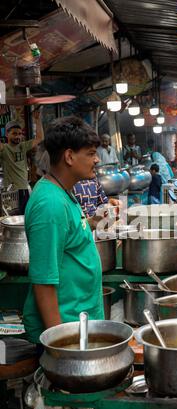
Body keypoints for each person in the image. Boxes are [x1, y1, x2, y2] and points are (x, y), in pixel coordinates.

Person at [23, 116, 105, 345]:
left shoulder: (64, 192)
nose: (97, 160)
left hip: (79, 325)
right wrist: (58, 345)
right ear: (69, 156)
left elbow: (68, 235)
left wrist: (92, 222)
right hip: (66, 332)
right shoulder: (50, 204)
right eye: (90, 153)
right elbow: (44, 281)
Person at [0, 110, 43, 214]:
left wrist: (37, 120)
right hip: (11, 192)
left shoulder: (23, 146)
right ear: (7, 134)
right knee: (11, 219)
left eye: (19, 134)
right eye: (14, 133)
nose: (18, 136)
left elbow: (40, 138)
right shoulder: (4, 149)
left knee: (25, 217)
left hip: (24, 189)